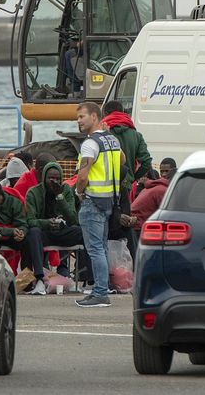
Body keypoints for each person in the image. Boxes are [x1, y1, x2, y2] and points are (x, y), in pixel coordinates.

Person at [74, 101, 124, 308]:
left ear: (94, 117)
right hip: (109, 200)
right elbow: (122, 161)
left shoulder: (89, 143)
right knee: (101, 247)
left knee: (95, 249)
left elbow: (83, 174)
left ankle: (100, 293)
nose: (78, 121)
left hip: (93, 200)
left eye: (82, 117)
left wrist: (78, 191)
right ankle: (101, 289)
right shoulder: (112, 140)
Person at [0, 179, 47, 295]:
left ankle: (26, 283)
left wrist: (22, 232)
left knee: (28, 241)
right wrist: (11, 231)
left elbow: (23, 223)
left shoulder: (14, 202)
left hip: (12, 235)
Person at [25, 161, 83, 278]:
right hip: (45, 233)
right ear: (44, 178)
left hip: (62, 232)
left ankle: (86, 276)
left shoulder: (66, 190)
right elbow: (30, 221)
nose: (54, 182)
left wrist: (59, 196)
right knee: (33, 232)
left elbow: (72, 220)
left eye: (57, 179)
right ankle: (39, 276)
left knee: (84, 232)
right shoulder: (33, 192)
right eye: (50, 178)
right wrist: (46, 223)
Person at [102, 100, 152, 193]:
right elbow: (147, 162)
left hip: (104, 186)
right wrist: (132, 176)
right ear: (123, 112)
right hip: (126, 185)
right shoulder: (136, 135)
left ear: (105, 114)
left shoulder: (102, 133)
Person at [124, 158, 177, 234]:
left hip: (134, 225)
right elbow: (169, 216)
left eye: (167, 171)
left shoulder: (154, 186)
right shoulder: (161, 190)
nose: (164, 174)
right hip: (136, 227)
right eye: (162, 171)